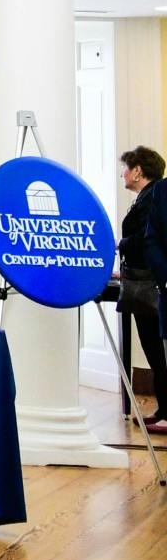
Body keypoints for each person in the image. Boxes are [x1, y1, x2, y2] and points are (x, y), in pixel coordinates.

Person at [117, 147, 166, 429]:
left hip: (150, 283)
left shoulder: (153, 198)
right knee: (154, 348)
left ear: (138, 170)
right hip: (145, 280)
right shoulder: (147, 198)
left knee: (156, 349)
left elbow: (147, 239)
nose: (122, 173)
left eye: (125, 167)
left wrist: (120, 245)